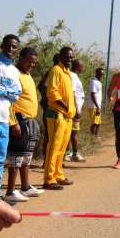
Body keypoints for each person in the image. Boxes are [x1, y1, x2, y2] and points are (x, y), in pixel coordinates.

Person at [5, 48, 44, 202]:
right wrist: (14, 122)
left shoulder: (28, 75)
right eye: (29, 61)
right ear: (20, 58)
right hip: (19, 120)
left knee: (27, 156)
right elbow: (9, 100)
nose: (31, 64)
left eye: (34, 62)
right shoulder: (14, 74)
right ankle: (10, 191)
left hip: (30, 120)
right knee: (16, 157)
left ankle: (25, 187)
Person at [44, 46, 76, 190]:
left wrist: (71, 111)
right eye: (67, 56)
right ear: (60, 56)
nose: (69, 59)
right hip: (57, 114)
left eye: (71, 57)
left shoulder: (68, 73)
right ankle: (49, 179)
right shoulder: (56, 70)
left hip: (67, 117)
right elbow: (52, 92)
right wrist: (67, 107)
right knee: (54, 146)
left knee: (62, 148)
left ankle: (58, 174)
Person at [0, 35, 22, 202]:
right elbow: (8, 92)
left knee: (0, 160)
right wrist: (6, 92)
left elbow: (17, 93)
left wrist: (7, 92)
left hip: (4, 120)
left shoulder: (14, 71)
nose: (11, 49)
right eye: (8, 46)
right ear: (2, 46)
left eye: (14, 47)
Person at [38, 54, 59, 160]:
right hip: (50, 109)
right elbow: (41, 86)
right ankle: (46, 160)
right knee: (49, 134)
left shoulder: (58, 72)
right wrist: (47, 100)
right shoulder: (53, 71)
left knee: (54, 135)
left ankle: (51, 160)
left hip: (56, 109)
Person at [65, 59, 85, 162]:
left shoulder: (74, 76)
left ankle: (69, 153)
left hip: (76, 108)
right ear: (77, 66)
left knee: (72, 132)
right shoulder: (72, 76)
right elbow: (72, 93)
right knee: (73, 133)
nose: (83, 68)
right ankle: (72, 154)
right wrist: (76, 109)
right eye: (82, 66)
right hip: (74, 110)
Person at [88, 67, 104, 136]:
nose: (101, 75)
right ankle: (92, 136)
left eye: (102, 74)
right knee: (94, 122)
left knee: (98, 122)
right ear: (96, 73)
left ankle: (96, 136)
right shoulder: (94, 82)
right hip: (94, 106)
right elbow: (92, 94)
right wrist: (97, 106)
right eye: (100, 74)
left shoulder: (99, 82)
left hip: (97, 106)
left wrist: (99, 106)